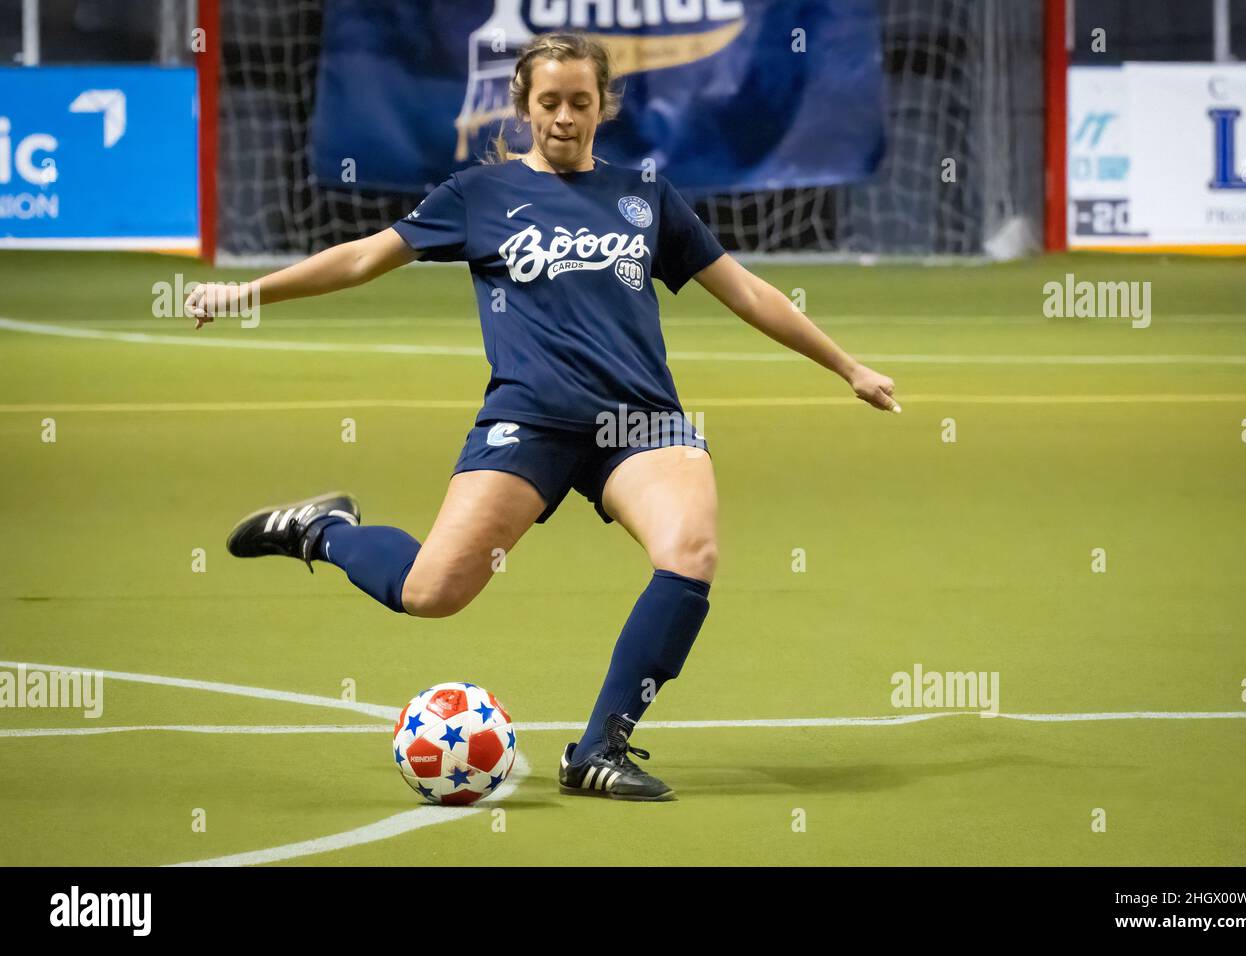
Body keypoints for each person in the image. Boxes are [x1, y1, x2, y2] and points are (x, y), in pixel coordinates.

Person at [186, 32, 898, 802]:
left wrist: (847, 365)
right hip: (530, 421)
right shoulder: (477, 196)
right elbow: (362, 256)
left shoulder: (645, 198)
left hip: (641, 422)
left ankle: (598, 748)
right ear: (524, 105)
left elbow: (747, 290)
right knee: (433, 592)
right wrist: (245, 293)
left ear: (604, 107)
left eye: (580, 103)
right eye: (549, 102)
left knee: (690, 551)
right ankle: (323, 531)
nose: (564, 117)